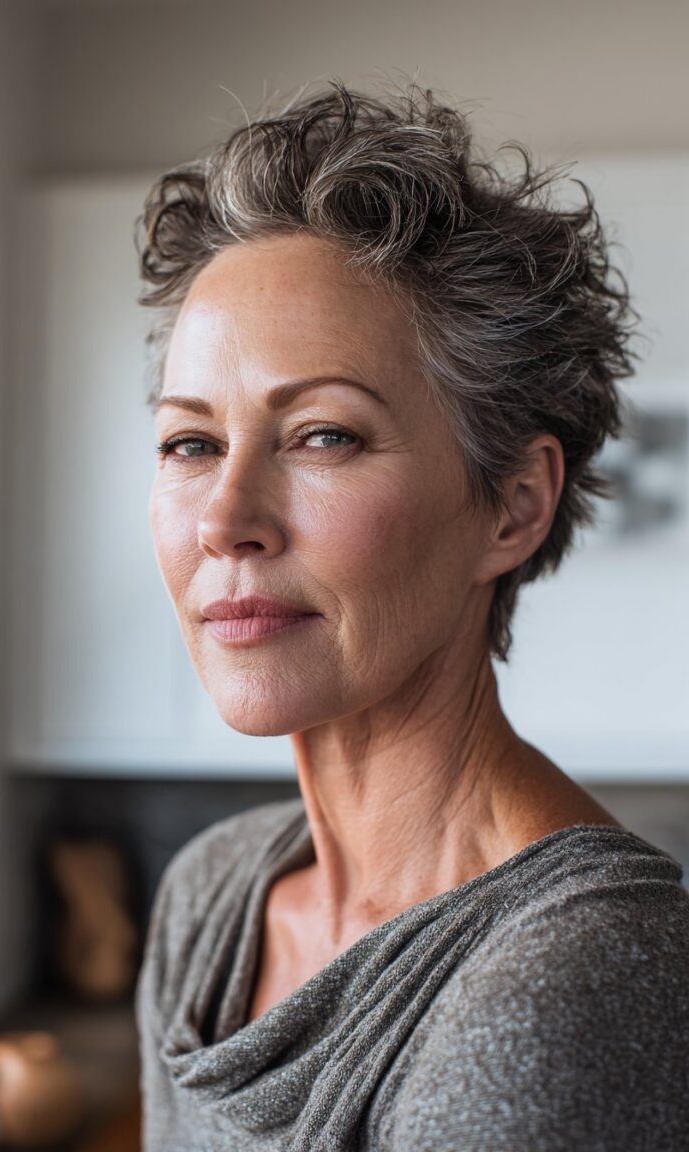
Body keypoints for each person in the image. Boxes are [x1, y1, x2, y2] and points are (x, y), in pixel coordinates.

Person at [133, 81, 689, 1150]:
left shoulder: (572, 979)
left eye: (324, 436)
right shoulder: (211, 901)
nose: (226, 520)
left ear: (514, 506)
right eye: (190, 443)